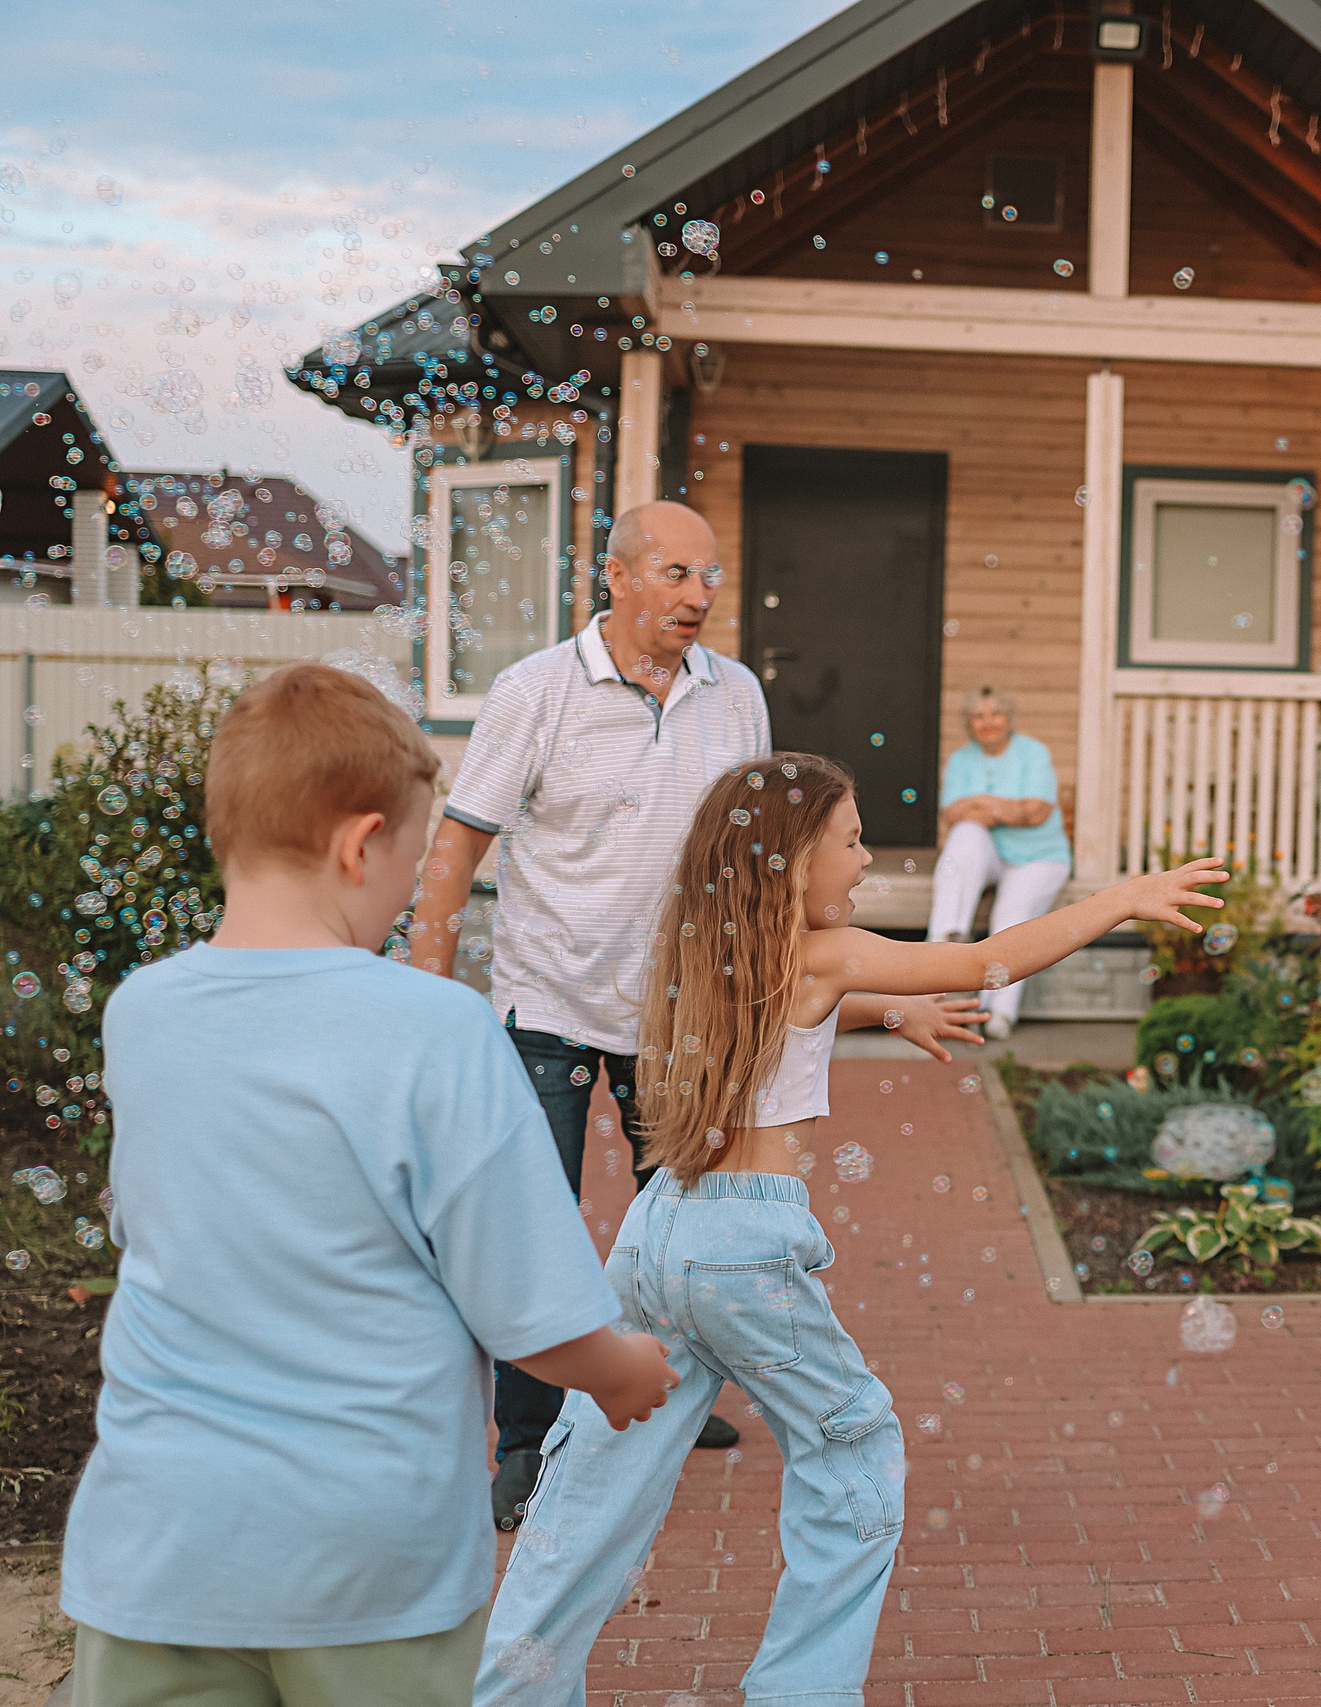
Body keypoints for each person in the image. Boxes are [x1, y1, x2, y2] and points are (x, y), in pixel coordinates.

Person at [475, 752, 1223, 1702]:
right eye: (853, 840)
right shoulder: (820, 950)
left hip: (660, 1229)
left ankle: (510, 1687)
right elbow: (985, 962)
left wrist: (889, 1007)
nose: (867, 860)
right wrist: (1116, 900)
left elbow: (793, 1010)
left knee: (593, 1479)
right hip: (745, 1247)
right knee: (855, 1448)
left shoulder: (697, 942)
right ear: (791, 860)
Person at [58, 664, 678, 1707]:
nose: (422, 885)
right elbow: (529, 1312)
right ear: (359, 844)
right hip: (364, 1557)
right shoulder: (437, 1030)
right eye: (418, 851)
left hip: (158, 1540)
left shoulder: (142, 1012)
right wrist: (624, 1374)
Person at [412, 500, 982, 1527]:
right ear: (617, 578)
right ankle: (530, 1440)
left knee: (683, 1215)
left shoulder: (737, 695)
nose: (697, 596)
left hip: (685, 1017)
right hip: (548, 1005)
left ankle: (664, 1392)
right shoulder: (535, 692)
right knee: (536, 1228)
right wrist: (427, 993)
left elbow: (752, 855)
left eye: (710, 576)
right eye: (675, 574)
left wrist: (865, 1003)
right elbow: (459, 846)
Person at [929, 687, 1072, 1039]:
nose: (987, 723)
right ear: (969, 723)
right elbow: (952, 814)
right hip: (991, 853)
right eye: (978, 716)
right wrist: (1003, 808)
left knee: (1009, 920)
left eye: (994, 714)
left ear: (1008, 719)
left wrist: (982, 802)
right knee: (964, 833)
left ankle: (997, 1013)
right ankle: (946, 939)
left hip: (1038, 857)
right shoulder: (962, 760)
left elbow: (1036, 812)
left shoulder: (1032, 752)